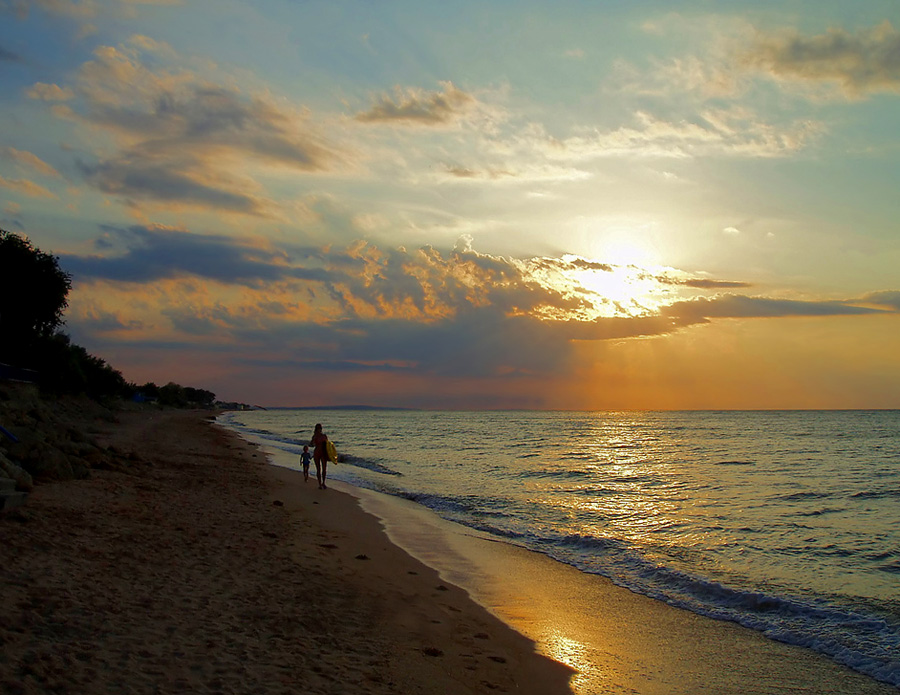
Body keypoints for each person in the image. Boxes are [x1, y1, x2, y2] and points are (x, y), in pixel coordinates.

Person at [309, 423, 329, 489]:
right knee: (319, 469)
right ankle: (320, 483)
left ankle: (322, 483)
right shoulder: (318, 436)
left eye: (319, 429)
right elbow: (311, 444)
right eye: (318, 429)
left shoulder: (322, 436)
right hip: (319, 453)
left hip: (321, 453)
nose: (319, 430)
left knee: (323, 469)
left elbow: (328, 445)